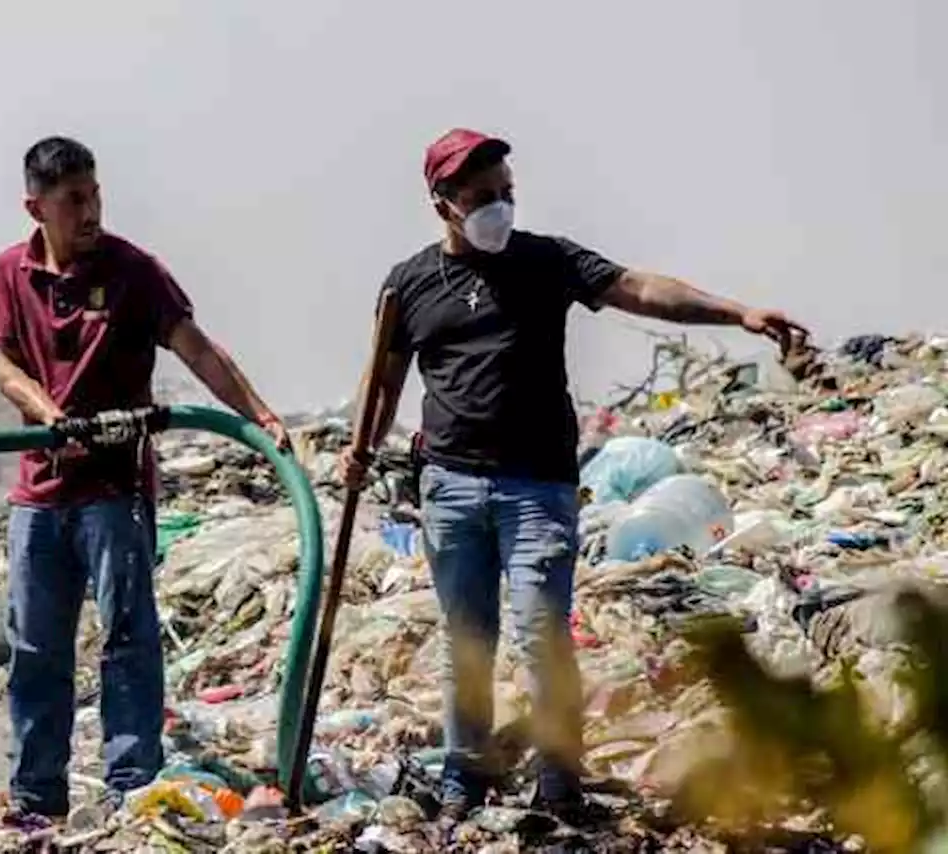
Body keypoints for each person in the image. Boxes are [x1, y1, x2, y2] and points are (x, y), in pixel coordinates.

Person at [339, 128, 810, 821]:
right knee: (466, 641)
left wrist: (735, 312)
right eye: (481, 198)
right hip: (449, 484)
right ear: (443, 204)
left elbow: (639, 289)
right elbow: (383, 383)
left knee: (541, 632)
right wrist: (361, 450)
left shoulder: (547, 260)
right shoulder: (408, 284)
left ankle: (559, 779)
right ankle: (462, 778)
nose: (499, 207)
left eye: (506, 193)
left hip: (538, 485)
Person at [0, 135, 290, 826]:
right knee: (35, 646)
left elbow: (198, 349)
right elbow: (4, 365)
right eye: (72, 202)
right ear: (36, 207)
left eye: (94, 195)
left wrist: (261, 416)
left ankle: (132, 786)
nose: (89, 211)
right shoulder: (9, 272)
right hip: (38, 494)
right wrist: (48, 413)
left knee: (128, 637)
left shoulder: (133, 271)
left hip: (113, 491)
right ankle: (38, 795)